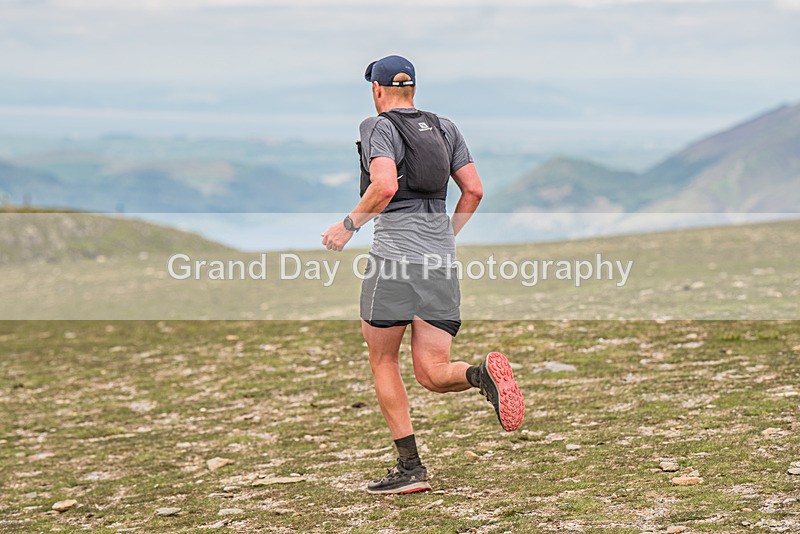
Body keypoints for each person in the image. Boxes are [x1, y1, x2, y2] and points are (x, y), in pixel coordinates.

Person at [321, 55, 524, 495]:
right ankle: (480, 375)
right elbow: (474, 189)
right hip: (439, 264)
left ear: (377, 90)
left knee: (383, 360)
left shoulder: (378, 127)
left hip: (394, 260)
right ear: (412, 88)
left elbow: (385, 186)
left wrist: (347, 226)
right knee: (433, 372)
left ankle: (410, 468)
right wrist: (445, 235)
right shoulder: (446, 127)